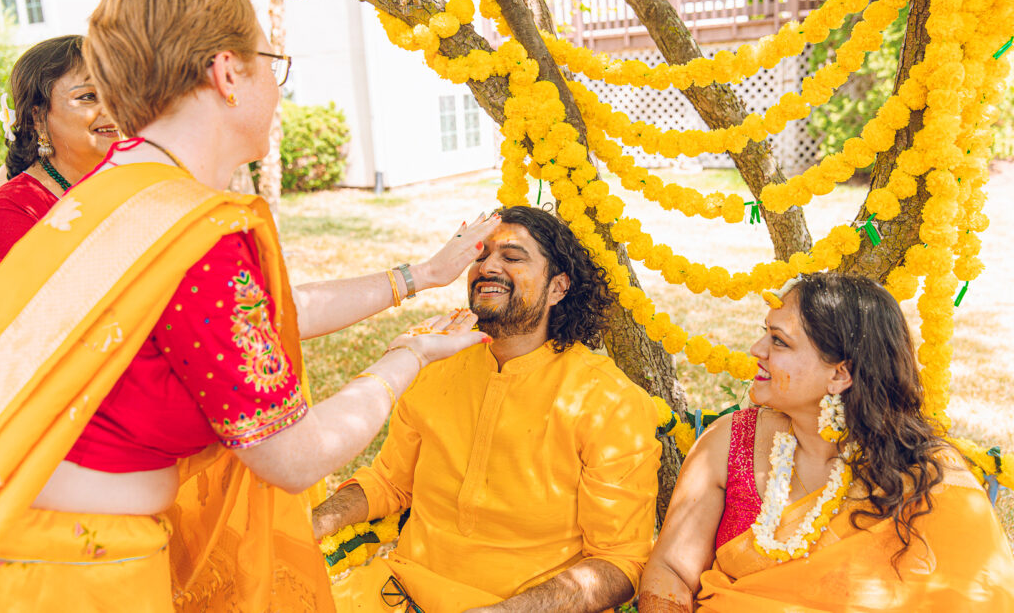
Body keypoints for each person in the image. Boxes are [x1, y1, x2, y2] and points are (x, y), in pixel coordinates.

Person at [0, 0, 500, 612]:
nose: (278, 89)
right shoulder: (193, 239)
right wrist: (411, 356)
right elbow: (294, 456)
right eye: (272, 63)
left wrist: (417, 277)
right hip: (77, 570)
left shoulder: (118, 194)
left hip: (36, 537)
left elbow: (248, 325)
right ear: (228, 73)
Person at [315, 205, 662, 613]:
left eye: (512, 257)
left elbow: (619, 562)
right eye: (480, 255)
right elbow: (390, 482)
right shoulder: (434, 363)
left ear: (558, 288)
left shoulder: (610, 402)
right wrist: (314, 521)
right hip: (399, 592)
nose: (488, 267)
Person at [639, 272, 1014, 612]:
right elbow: (670, 569)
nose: (756, 349)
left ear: (840, 374)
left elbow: (977, 593)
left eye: (779, 342)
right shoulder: (729, 441)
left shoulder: (928, 475)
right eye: (765, 332)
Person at [0, 35, 119, 272]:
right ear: (38, 118)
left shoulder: (137, 180)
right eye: (88, 97)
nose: (111, 107)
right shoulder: (10, 210)